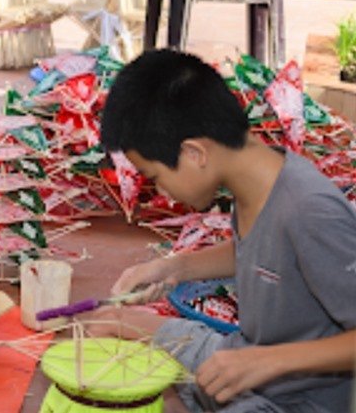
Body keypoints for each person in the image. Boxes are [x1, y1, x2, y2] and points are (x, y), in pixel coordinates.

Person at [97, 49, 355, 412]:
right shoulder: (254, 181)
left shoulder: (310, 210)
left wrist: (269, 362)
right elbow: (264, 251)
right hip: (245, 360)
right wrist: (174, 268)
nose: (160, 192)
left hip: (291, 401)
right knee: (118, 324)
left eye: (156, 178)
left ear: (194, 153)